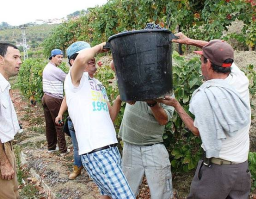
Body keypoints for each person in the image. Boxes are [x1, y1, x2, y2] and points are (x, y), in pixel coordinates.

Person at [158, 33, 251, 199]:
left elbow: (197, 131)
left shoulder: (207, 96)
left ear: (208, 64)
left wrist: (177, 105)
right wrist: (189, 41)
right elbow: (222, 51)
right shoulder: (240, 79)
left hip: (218, 171)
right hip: (241, 169)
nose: (200, 65)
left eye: (202, 60)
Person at [64, 41, 134, 198]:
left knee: (108, 195)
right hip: (96, 150)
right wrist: (100, 46)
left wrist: (118, 99)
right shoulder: (73, 80)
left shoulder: (97, 84)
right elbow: (83, 58)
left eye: (92, 54)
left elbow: (110, 117)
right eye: (86, 54)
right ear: (72, 62)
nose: (92, 57)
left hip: (110, 148)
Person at [115, 55, 175, 198]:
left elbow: (163, 120)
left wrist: (152, 102)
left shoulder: (165, 89)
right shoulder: (132, 79)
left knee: (161, 193)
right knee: (126, 192)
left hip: (153, 147)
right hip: (130, 146)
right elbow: (114, 64)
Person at [55, 54, 104, 180]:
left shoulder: (92, 81)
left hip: (91, 122)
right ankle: (77, 168)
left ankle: (95, 171)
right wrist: (60, 113)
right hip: (75, 123)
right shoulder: (72, 80)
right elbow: (67, 97)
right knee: (78, 147)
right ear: (73, 62)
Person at [0, 42, 22, 199]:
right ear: (1, 59)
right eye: (15, 57)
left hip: (7, 147)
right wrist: (3, 162)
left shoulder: (4, 86)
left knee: (13, 193)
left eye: (19, 57)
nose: (20, 61)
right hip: (2, 151)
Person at [42, 49, 68, 153]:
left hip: (46, 97)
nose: (61, 59)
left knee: (49, 124)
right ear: (52, 57)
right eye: (58, 57)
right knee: (59, 123)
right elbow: (68, 79)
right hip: (54, 98)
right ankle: (63, 150)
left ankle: (51, 147)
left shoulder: (47, 67)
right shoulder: (55, 70)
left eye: (62, 57)